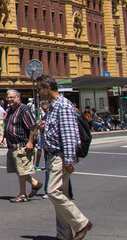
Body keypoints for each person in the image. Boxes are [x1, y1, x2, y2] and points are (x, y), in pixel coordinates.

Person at [36, 74, 91, 240]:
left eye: (39, 89)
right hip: (54, 155)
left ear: (47, 87)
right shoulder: (53, 106)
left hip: (60, 156)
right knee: (62, 196)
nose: (38, 92)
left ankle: (81, 223)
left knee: (52, 192)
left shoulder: (63, 106)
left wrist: (68, 160)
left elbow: (68, 135)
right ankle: (63, 235)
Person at [4, 89, 42, 203]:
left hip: (22, 145)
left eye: (12, 97)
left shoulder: (24, 109)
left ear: (18, 98)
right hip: (12, 145)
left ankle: (22, 194)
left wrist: (30, 142)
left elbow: (33, 126)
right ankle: (35, 184)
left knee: (21, 170)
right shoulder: (10, 110)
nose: (9, 100)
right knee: (18, 169)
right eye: (8, 98)